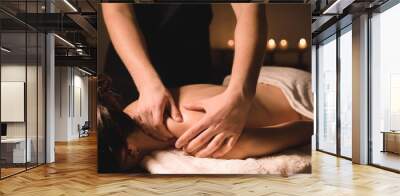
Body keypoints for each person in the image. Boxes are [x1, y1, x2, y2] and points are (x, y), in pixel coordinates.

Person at [101, 3, 267, 157]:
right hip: (131, 67)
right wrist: (147, 84)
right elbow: (117, 9)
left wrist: (240, 94)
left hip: (189, 58)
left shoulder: (184, 116)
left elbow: (248, 9)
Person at [97, 75, 313, 171]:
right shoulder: (126, 113)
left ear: (130, 153)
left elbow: (298, 131)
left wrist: (315, 127)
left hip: (296, 95)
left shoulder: (186, 125)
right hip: (261, 80)